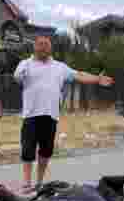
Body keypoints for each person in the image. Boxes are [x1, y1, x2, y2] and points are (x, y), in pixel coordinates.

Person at [13, 35, 114, 191]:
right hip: (31, 115)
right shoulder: (25, 64)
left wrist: (97, 79)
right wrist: (22, 72)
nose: (43, 47)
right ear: (35, 47)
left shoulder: (60, 67)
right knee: (28, 150)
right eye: (40, 44)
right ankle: (26, 183)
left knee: (46, 151)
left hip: (50, 115)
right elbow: (17, 78)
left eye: (46, 44)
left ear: (50, 48)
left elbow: (79, 75)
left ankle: (39, 182)